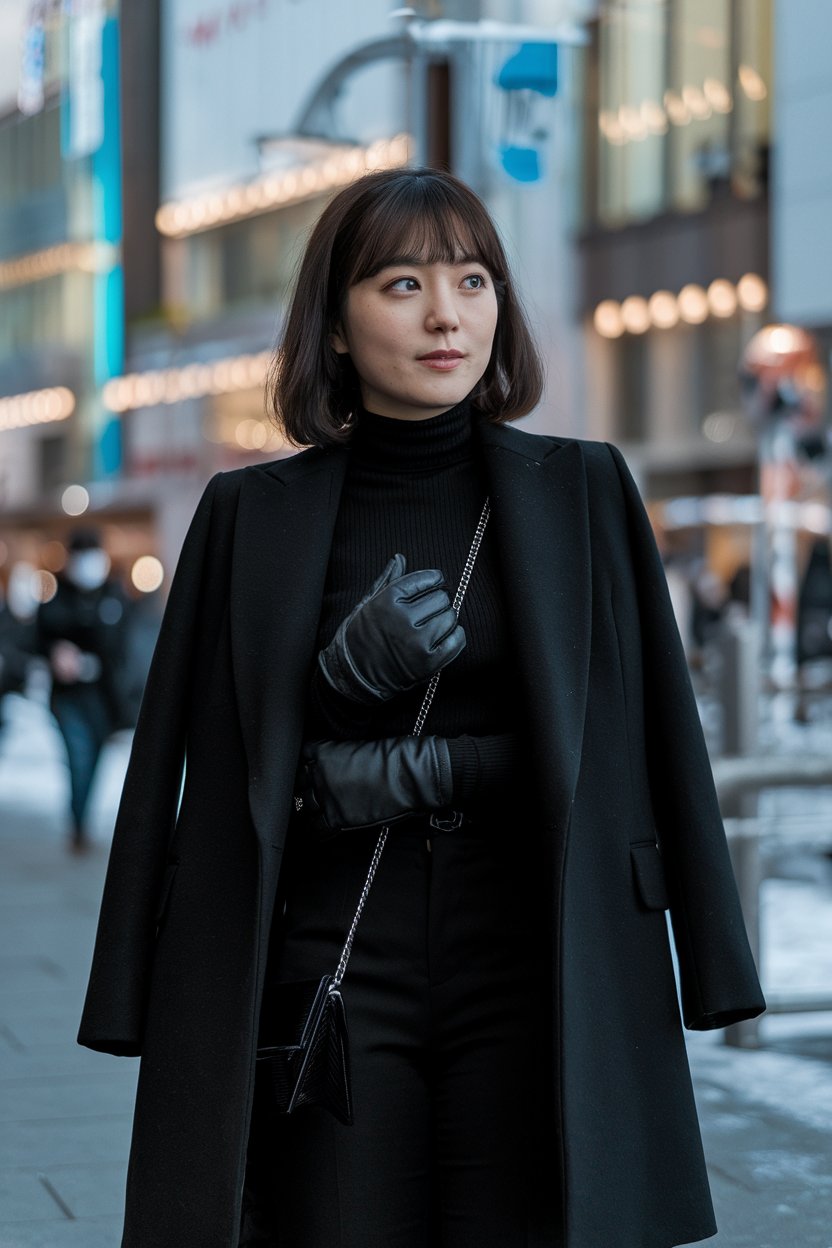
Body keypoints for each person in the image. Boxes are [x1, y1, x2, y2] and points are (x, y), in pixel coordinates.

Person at [77, 168, 765, 1248]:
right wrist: (331, 688)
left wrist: (714, 959)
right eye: (402, 283)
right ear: (337, 326)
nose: (447, 314)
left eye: (473, 279)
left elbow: (654, 737)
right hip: (331, 969)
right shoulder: (250, 514)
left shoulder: (582, 491)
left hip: (543, 961)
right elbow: (190, 754)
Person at [35, 528, 131, 852]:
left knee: (94, 759)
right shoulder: (57, 596)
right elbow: (37, 635)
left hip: (103, 695)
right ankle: (78, 824)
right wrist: (56, 652)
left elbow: (123, 645)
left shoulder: (113, 595)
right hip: (69, 696)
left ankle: (82, 817)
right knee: (78, 755)